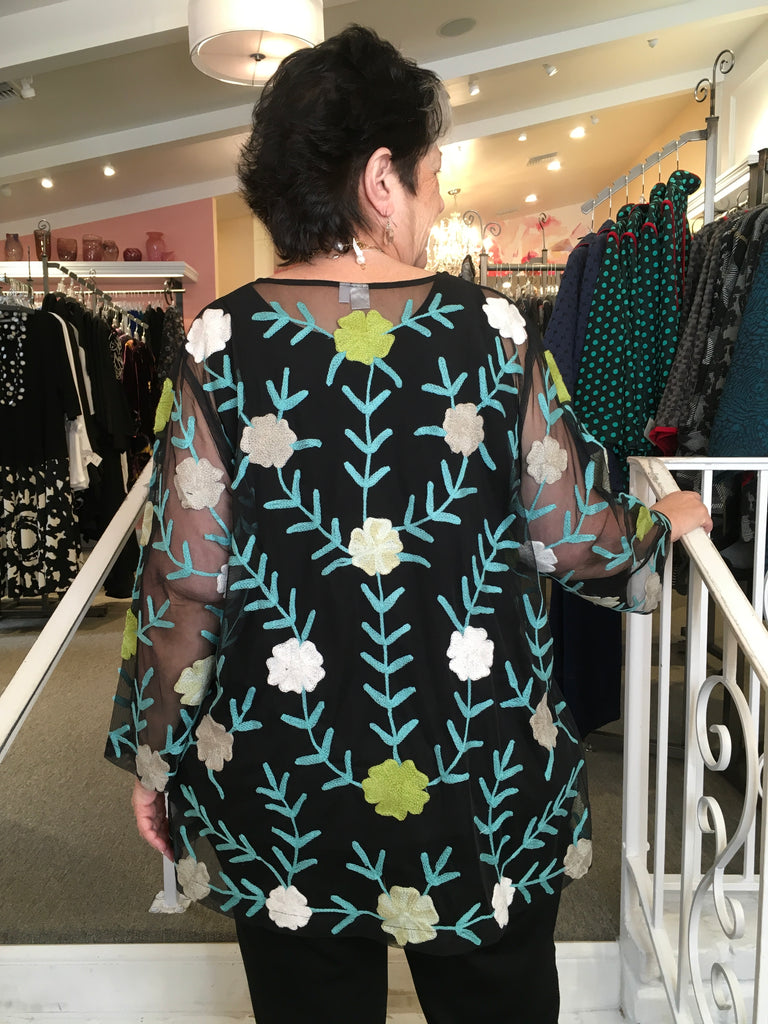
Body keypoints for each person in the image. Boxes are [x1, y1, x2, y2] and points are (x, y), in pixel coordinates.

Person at [106, 25, 712, 1024]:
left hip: (290, 785)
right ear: (381, 181)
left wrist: (154, 753)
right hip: (478, 777)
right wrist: (660, 526)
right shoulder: (495, 332)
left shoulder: (217, 342)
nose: (433, 210)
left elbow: (184, 582)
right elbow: (572, 537)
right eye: (431, 181)